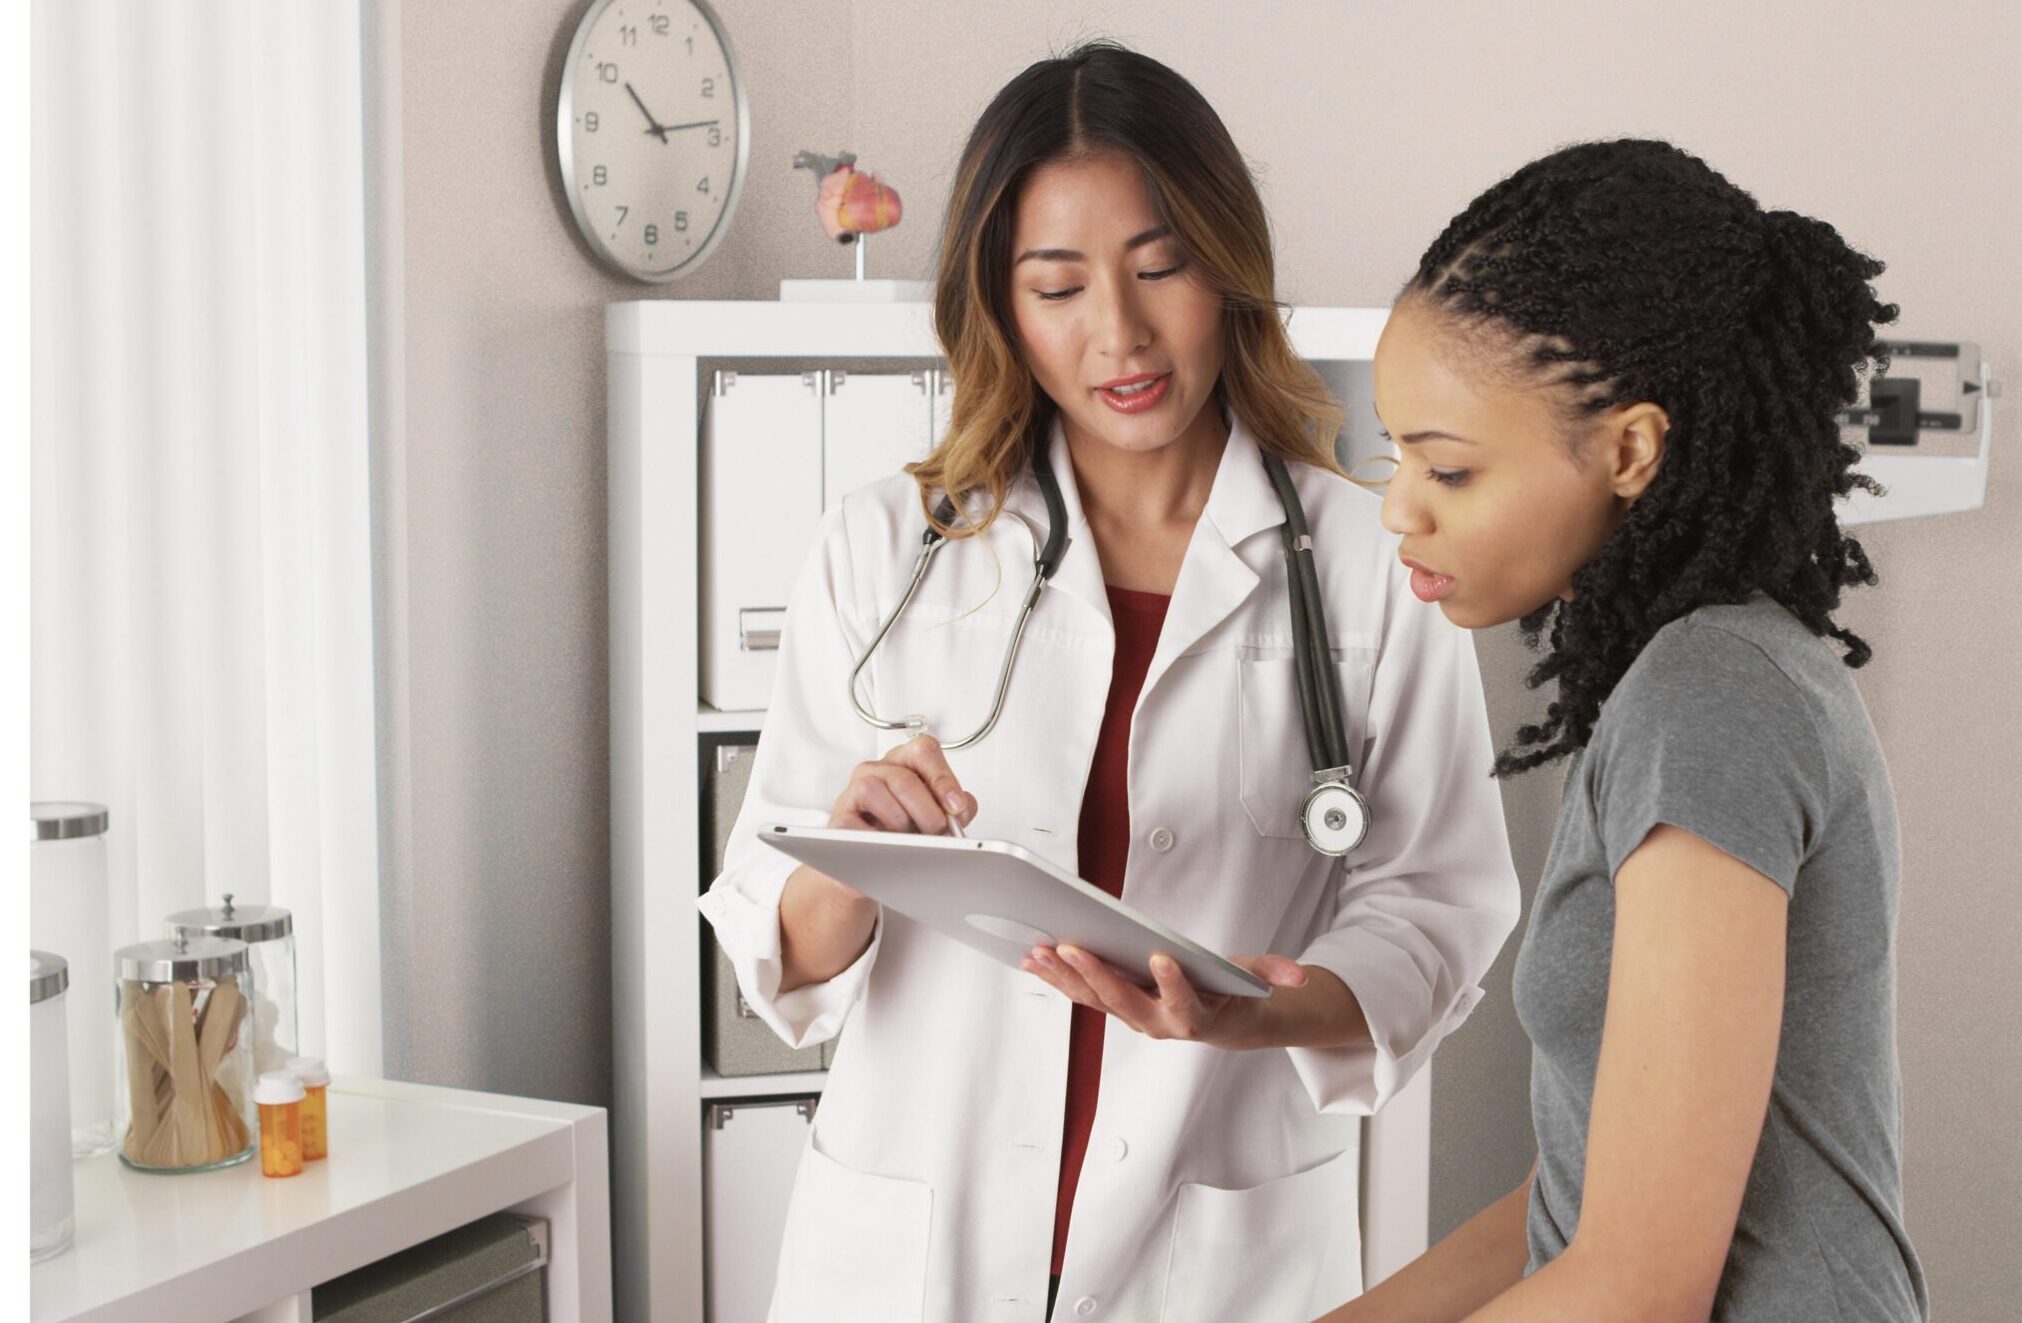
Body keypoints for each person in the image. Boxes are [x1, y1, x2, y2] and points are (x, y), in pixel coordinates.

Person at [701, 43, 1518, 1323]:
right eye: (1059, 285)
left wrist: (1263, 1015)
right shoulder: (882, 549)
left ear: (1227, 268)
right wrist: (842, 861)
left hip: (1218, 1257)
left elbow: (1443, 903)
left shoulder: (1368, 565)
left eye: (1160, 267)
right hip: (918, 1255)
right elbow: (777, 941)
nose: (1119, 335)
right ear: (1001, 304)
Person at [1320, 139, 1928, 1321]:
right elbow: (1585, 1201)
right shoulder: (1687, 679)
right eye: (1399, 459)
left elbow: (1639, 1286)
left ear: (1631, 450)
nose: (1399, 508)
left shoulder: (1714, 692)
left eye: (1447, 470)